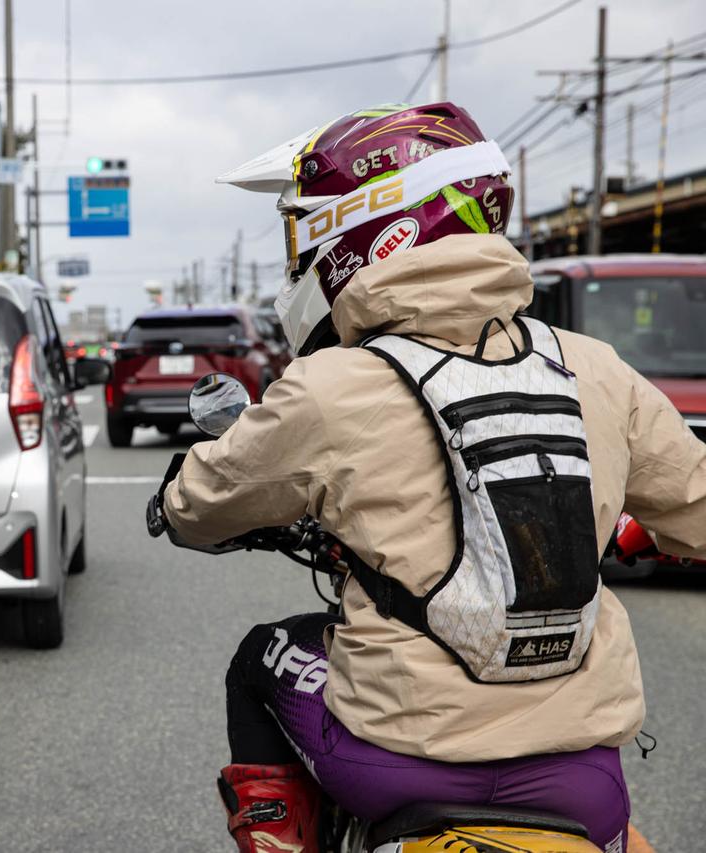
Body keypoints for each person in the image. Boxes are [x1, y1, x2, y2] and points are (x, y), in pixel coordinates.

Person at [161, 103, 698, 853]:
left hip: (396, 761)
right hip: (582, 779)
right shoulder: (595, 366)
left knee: (262, 654)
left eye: (304, 224)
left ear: (370, 222)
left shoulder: (330, 385)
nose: (300, 249)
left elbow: (197, 508)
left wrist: (175, 498)